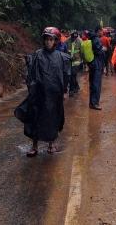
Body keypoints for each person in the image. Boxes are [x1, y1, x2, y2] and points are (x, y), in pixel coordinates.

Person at [23, 27, 70, 157]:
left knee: (53, 119)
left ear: (55, 41)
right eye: (46, 39)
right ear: (43, 40)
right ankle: (34, 146)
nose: (48, 42)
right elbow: (31, 74)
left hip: (54, 95)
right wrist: (31, 88)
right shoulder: (37, 55)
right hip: (39, 94)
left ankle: (51, 144)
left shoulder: (61, 57)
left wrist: (65, 91)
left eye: (51, 40)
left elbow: (65, 75)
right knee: (36, 118)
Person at [84, 30, 104, 110]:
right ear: (98, 31)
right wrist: (103, 50)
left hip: (92, 64)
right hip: (97, 65)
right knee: (96, 85)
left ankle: (92, 102)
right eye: (101, 31)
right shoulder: (96, 40)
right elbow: (99, 51)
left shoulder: (90, 40)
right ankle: (95, 103)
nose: (102, 32)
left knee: (92, 84)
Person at [67, 30, 83, 96]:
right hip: (69, 60)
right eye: (73, 37)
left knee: (73, 75)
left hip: (77, 61)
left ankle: (71, 90)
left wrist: (82, 61)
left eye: (75, 37)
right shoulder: (67, 41)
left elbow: (82, 52)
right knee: (70, 75)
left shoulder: (80, 41)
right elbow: (65, 50)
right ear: (71, 36)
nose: (74, 39)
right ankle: (76, 86)